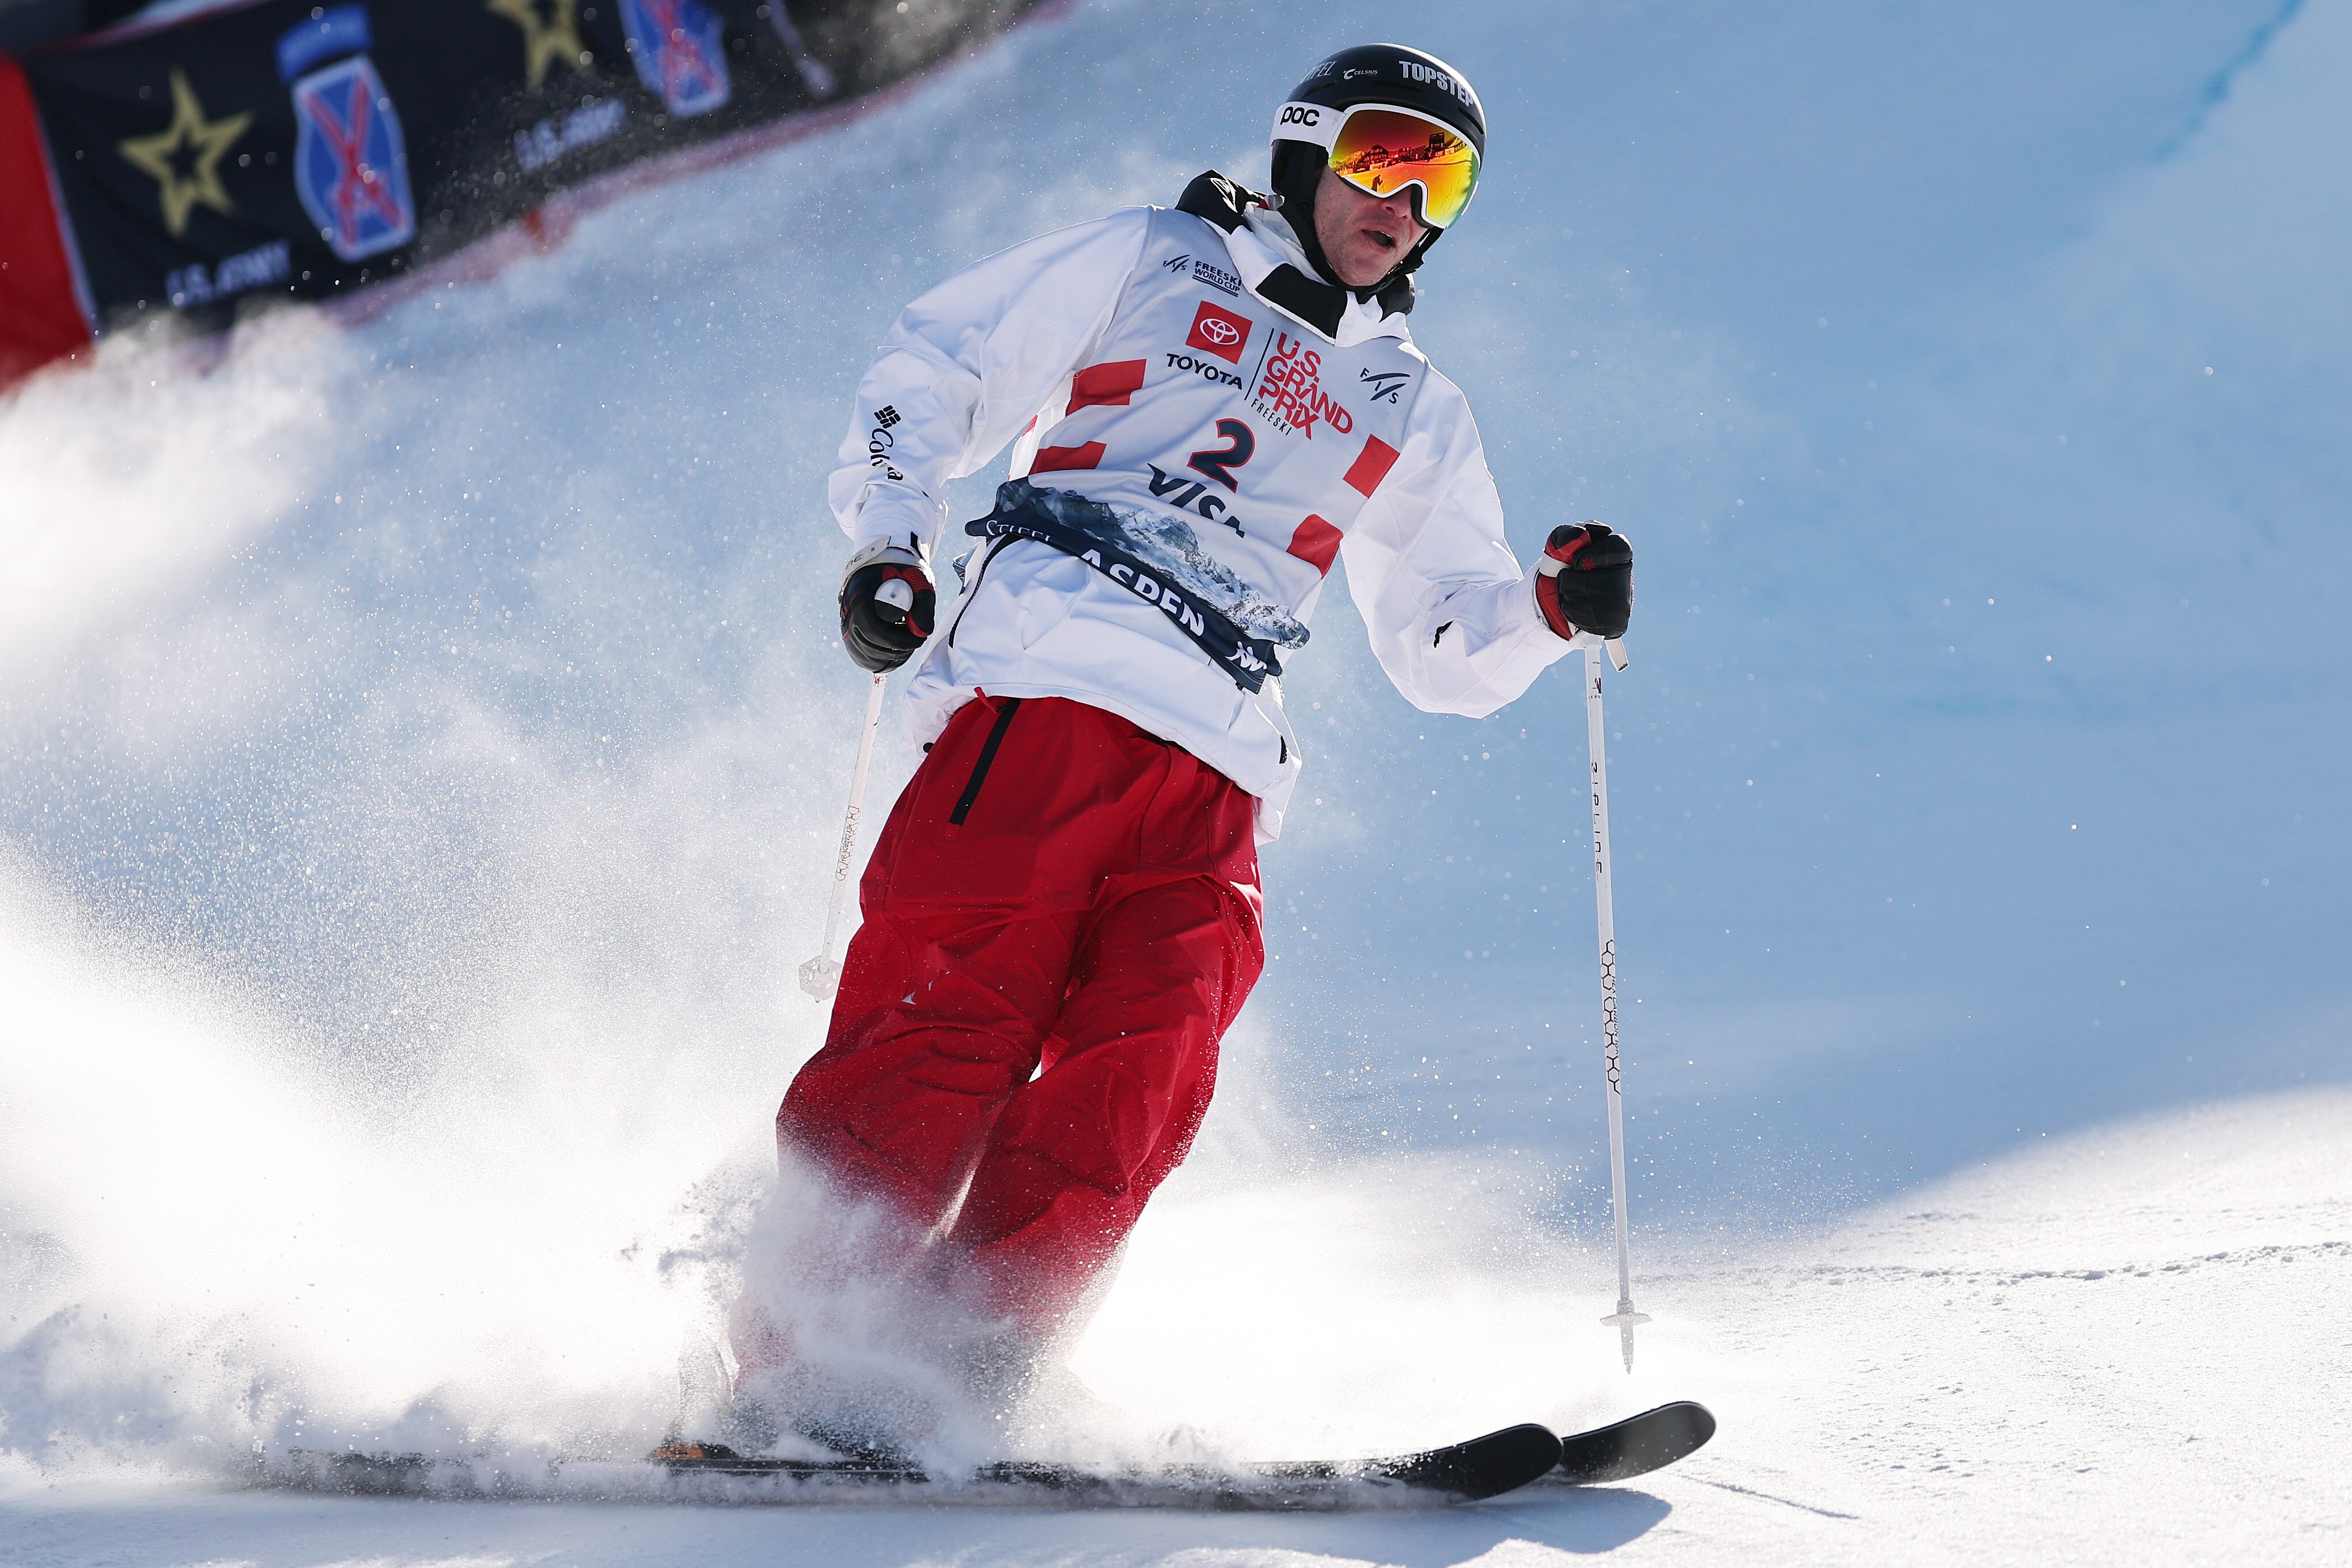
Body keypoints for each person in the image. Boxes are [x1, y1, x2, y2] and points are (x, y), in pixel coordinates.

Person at [748, 41, 1634, 1446]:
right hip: (1043, 696)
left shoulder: (1411, 403)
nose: (1399, 198)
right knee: (949, 1029)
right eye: (1379, 152)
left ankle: (963, 1367)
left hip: (1219, 767)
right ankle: (794, 1363)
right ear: (1304, 145)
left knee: (1146, 1068)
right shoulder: (1156, 260)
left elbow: (1438, 647)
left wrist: (1542, 605)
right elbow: (935, 367)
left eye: (1439, 177)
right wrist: (888, 546)